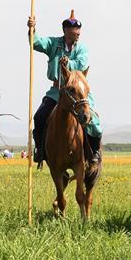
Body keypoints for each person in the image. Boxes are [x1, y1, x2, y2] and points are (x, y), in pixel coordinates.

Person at [29, 10, 102, 165]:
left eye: (78, 30)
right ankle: (40, 150)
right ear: (66, 31)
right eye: (74, 30)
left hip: (78, 91)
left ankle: (94, 152)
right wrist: (32, 29)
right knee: (39, 117)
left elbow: (81, 64)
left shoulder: (82, 48)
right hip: (57, 90)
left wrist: (67, 63)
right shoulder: (53, 43)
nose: (77, 33)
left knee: (93, 121)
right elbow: (36, 43)